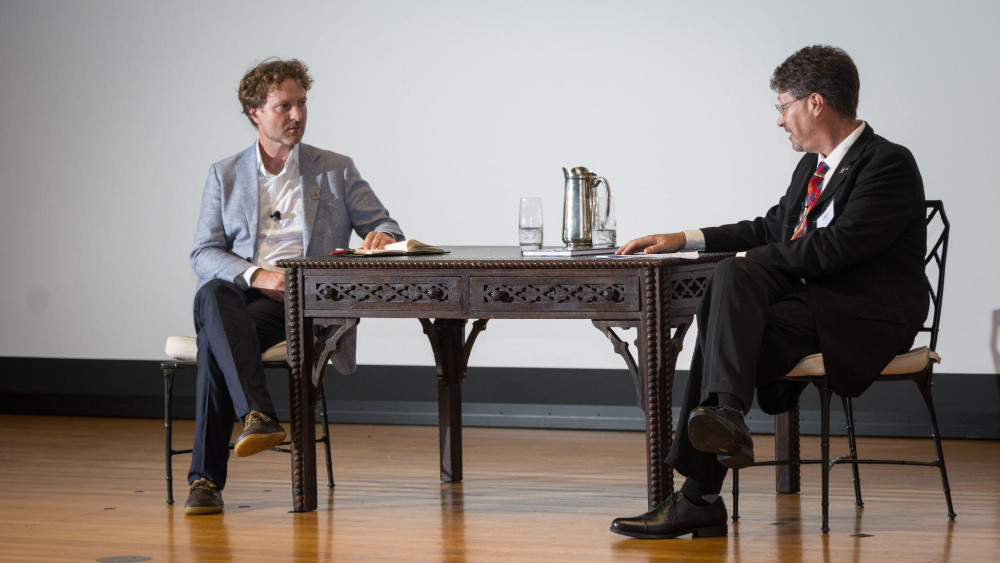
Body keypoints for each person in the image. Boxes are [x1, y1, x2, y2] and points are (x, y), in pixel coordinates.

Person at [609, 45, 928, 539]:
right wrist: (688, 238)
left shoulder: (888, 163)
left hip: (864, 314)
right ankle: (725, 418)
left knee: (728, 317)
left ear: (815, 103)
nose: (780, 121)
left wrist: (746, 261)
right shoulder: (811, 167)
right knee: (730, 284)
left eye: (783, 107)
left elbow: (838, 248)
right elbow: (774, 227)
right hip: (808, 309)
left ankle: (701, 492)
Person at [184, 58, 403, 515]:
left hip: (308, 302)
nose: (297, 115)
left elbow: (386, 223)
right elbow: (203, 253)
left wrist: (381, 234)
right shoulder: (224, 175)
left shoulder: (335, 169)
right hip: (247, 299)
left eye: (302, 104)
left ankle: (207, 479)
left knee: (213, 337)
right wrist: (259, 275)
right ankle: (257, 417)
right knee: (213, 296)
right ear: (255, 113)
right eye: (284, 106)